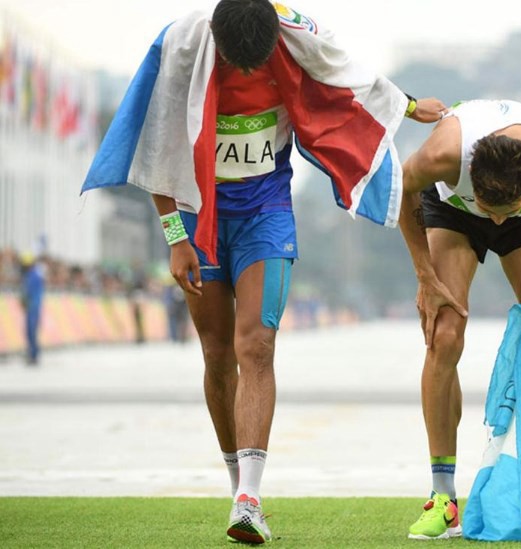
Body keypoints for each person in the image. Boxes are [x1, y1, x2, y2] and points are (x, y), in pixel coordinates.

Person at [82, 0, 446, 543]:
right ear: (218, 40)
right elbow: (159, 146)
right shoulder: (183, 45)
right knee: (215, 351)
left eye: (257, 63)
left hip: (266, 211)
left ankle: (249, 499)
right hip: (195, 209)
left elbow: (347, 72)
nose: (248, 72)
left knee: (256, 346)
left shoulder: (295, 33)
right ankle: (237, 487)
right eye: (237, 62)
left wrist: (409, 105)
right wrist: (176, 239)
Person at [397, 99, 521, 540]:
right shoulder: (441, 155)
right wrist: (424, 275)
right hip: (452, 213)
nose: (495, 220)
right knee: (444, 335)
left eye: (501, 210)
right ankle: (443, 497)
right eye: (489, 208)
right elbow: (401, 187)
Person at [19, 252, 45, 366]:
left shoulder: (33, 276)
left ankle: (33, 354)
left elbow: (29, 292)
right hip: (32, 306)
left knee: (31, 331)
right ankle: (32, 353)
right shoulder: (32, 275)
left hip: (33, 307)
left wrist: (25, 301)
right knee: (30, 331)